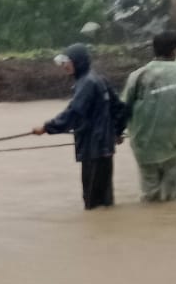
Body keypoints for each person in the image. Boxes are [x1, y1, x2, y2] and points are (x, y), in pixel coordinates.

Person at [32, 44, 128, 210]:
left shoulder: (87, 83)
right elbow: (120, 108)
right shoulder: (98, 79)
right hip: (104, 148)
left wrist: (46, 128)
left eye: (67, 61)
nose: (64, 66)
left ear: (79, 61)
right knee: (105, 202)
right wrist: (117, 131)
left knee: (92, 202)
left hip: (93, 149)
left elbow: (73, 113)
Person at [121, 31, 176, 202]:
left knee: (150, 195)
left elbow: (123, 108)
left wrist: (116, 132)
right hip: (174, 146)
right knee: (172, 196)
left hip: (144, 146)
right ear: (175, 50)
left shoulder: (138, 76)